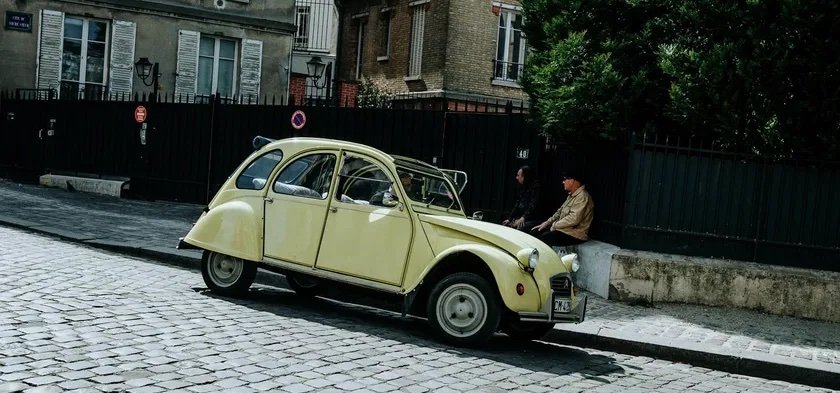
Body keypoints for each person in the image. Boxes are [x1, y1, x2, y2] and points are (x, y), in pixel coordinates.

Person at [531, 171, 594, 247]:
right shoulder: (571, 195)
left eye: (565, 179)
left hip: (575, 234)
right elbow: (559, 212)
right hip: (564, 229)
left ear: (572, 181)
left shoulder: (582, 197)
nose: (563, 182)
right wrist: (547, 223)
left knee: (546, 237)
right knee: (536, 231)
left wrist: (554, 225)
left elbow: (573, 219)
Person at [502, 165, 541, 231]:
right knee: (506, 224)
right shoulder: (524, 187)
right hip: (522, 217)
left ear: (524, 176)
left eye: (518, 175)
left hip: (533, 218)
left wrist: (523, 217)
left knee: (520, 227)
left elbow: (533, 205)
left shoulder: (536, 187)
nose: (516, 178)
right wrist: (510, 219)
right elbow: (517, 204)